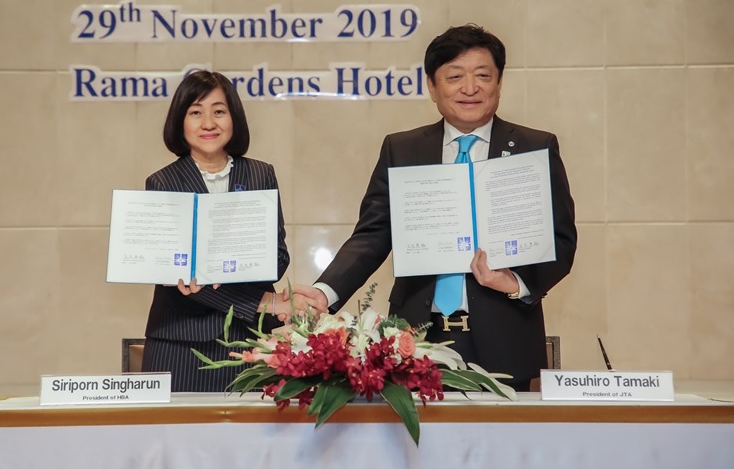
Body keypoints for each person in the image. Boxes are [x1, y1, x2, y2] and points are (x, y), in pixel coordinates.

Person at [290, 24, 578, 391]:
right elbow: (373, 234)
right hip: (414, 340)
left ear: (500, 82)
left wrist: (516, 283)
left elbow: (561, 238)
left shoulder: (533, 147)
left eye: (483, 76)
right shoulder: (403, 149)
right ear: (432, 86)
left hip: (505, 338)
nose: (469, 88)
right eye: (454, 76)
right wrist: (326, 292)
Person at [141, 70, 294, 392]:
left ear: (234, 117)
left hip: (251, 341)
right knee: (177, 440)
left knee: (252, 441)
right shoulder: (162, 184)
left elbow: (277, 258)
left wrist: (236, 268)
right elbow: (179, 274)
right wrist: (262, 302)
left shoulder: (260, 175)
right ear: (180, 121)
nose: (208, 123)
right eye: (196, 112)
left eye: (219, 111)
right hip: (179, 342)